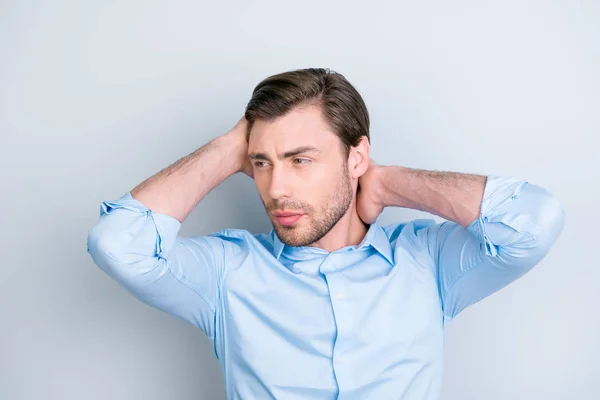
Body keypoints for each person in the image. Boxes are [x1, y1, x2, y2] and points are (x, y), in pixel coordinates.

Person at [86, 67, 565, 400]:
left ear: (356, 158)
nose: (276, 188)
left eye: (300, 160)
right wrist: (229, 146)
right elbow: (117, 244)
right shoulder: (226, 274)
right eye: (261, 164)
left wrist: (387, 182)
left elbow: (534, 220)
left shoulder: (428, 263)